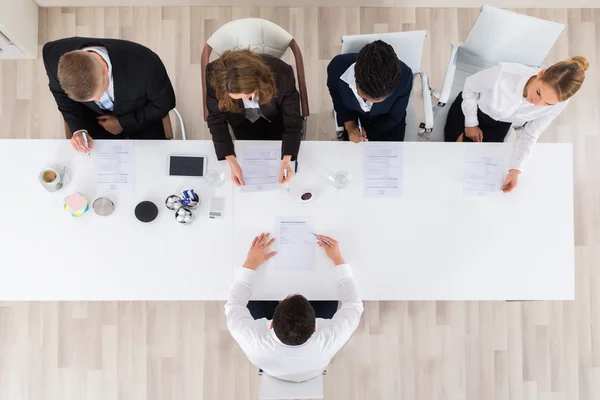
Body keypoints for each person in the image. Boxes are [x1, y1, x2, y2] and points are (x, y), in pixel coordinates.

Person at [224, 233, 363, 383]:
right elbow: (353, 305)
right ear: (316, 326)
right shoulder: (331, 337)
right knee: (329, 295)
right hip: (310, 367)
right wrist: (338, 259)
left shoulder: (249, 336)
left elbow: (234, 305)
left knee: (253, 298)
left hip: (274, 368)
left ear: (271, 323)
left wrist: (251, 263)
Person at [445, 56, 589, 192]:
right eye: (539, 93)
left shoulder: (559, 103)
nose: (536, 103)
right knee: (453, 161)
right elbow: (470, 87)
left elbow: (531, 133)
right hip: (471, 110)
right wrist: (471, 123)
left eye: (547, 103)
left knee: (479, 175)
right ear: (541, 73)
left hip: (499, 126)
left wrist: (516, 169)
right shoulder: (503, 74)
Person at [43, 37, 176, 153]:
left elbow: (164, 103)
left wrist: (123, 123)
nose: (100, 100)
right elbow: (60, 94)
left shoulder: (146, 64)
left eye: (100, 93)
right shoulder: (53, 57)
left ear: (104, 70)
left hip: (141, 118)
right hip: (93, 123)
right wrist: (78, 129)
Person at [205, 49, 303, 187]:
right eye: (238, 97)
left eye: (248, 95)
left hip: (275, 116)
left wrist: (287, 160)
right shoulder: (212, 74)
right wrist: (232, 162)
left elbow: (293, 119)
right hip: (239, 119)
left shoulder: (282, 73)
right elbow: (216, 119)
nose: (246, 100)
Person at [327, 40, 413, 143]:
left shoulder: (405, 77)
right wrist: (349, 124)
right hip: (353, 119)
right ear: (356, 79)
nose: (370, 103)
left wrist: (367, 137)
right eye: (365, 97)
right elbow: (338, 99)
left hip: (387, 124)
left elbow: (395, 116)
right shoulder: (336, 68)